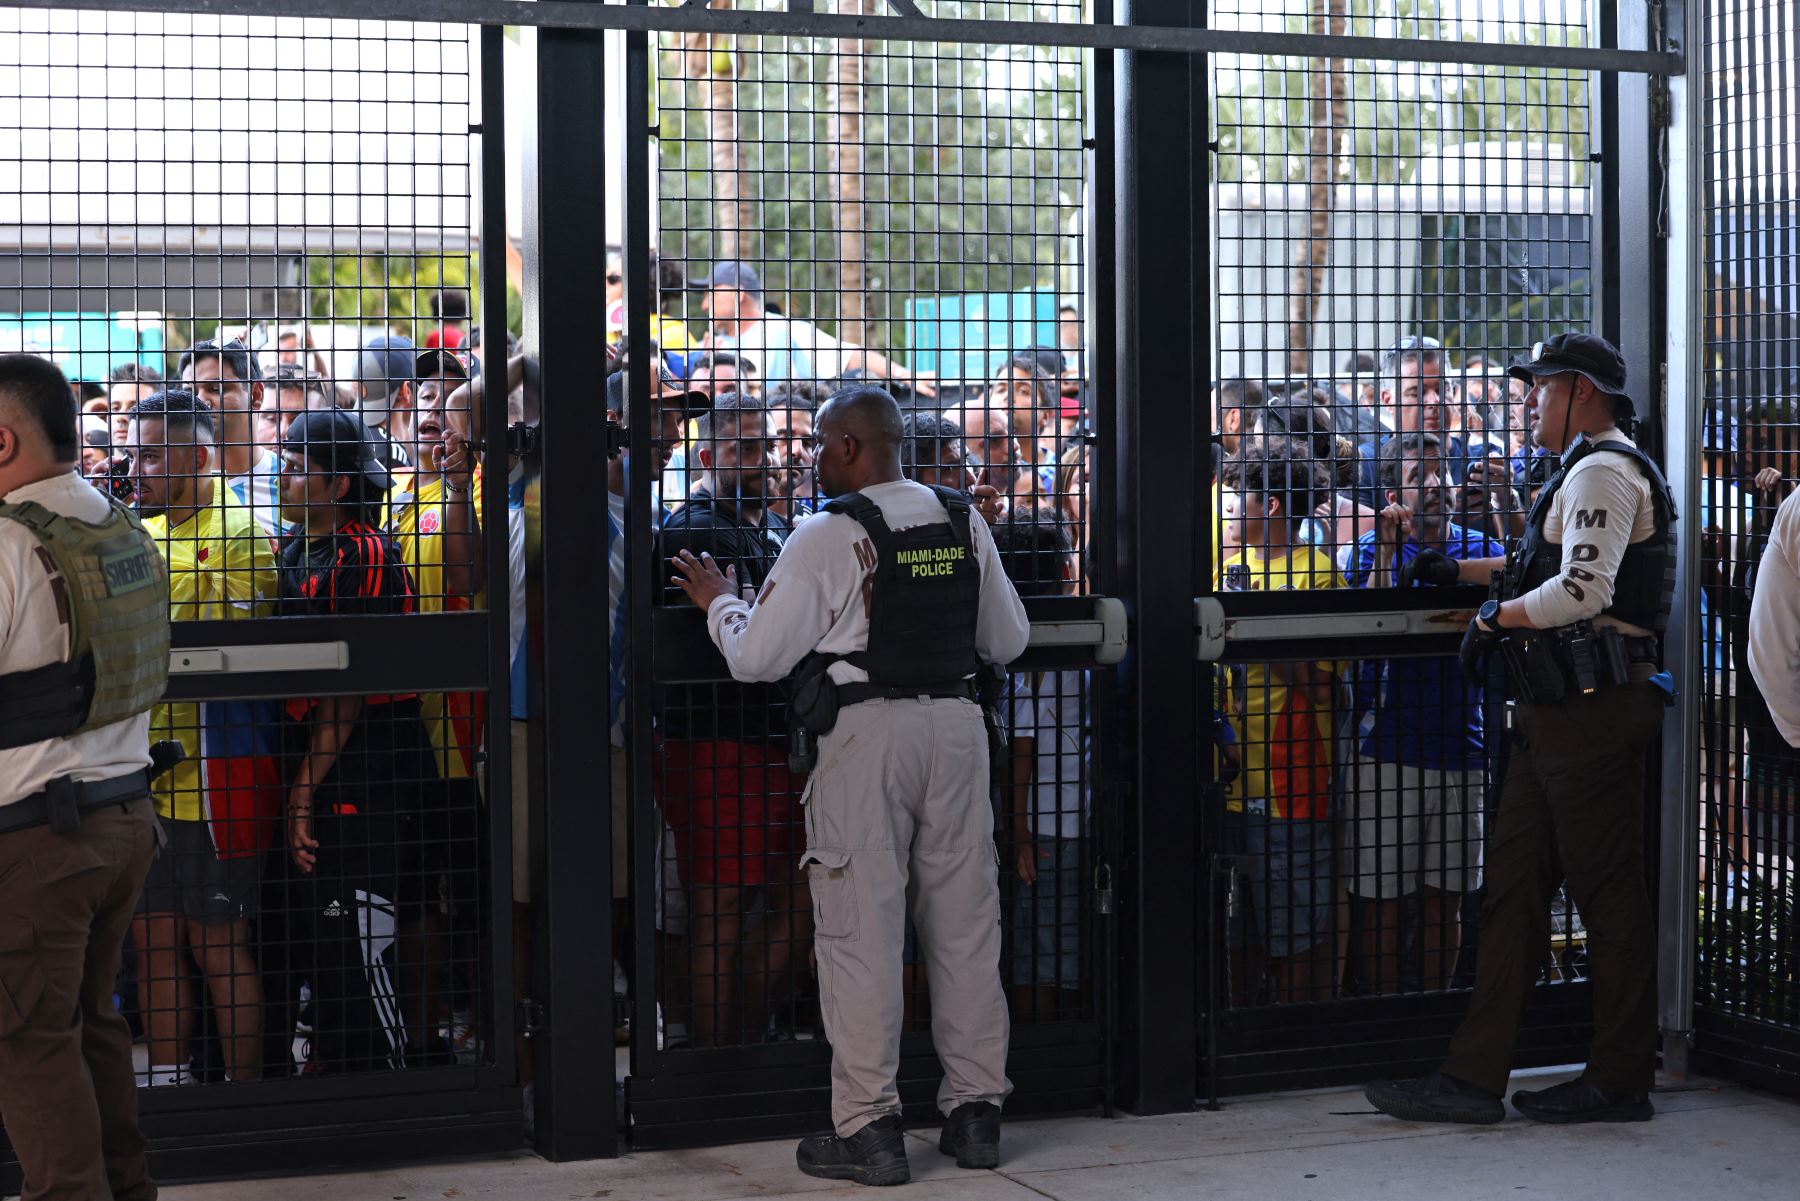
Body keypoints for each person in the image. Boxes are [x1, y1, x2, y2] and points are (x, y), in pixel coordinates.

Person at [671, 384, 1030, 1186]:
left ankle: (870, 1128)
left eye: (818, 445)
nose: (806, 457)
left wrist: (720, 601)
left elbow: (757, 656)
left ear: (850, 447)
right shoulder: (961, 518)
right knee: (967, 925)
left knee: (859, 931)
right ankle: (976, 1115)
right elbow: (1008, 637)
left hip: (866, 737)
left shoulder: (826, 533)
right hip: (959, 727)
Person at [1366, 332, 1675, 1126]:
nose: (1528, 401)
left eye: (1540, 388)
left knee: (1605, 892)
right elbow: (1541, 567)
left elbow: (1580, 589)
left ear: (1579, 390)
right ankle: (1472, 1079)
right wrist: (1464, 574)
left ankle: (1617, 1078)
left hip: (1590, 712)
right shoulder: (1581, 471)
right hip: (1560, 713)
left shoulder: (1605, 468)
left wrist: (1494, 614)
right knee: (1509, 892)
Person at [0, 352, 168, 1201]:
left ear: (0, 441)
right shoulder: (117, 522)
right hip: (123, 819)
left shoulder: (6, 541)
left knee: (29, 1041)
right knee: (89, 1023)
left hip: (38, 840)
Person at [271, 408, 447, 1072]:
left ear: (338, 485)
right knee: (327, 940)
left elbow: (348, 686)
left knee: (363, 941)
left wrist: (303, 793)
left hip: (367, 773)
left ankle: (380, 1084)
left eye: (297, 466)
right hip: (320, 767)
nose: (281, 476)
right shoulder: (292, 547)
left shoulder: (363, 552)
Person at [124, 388, 281, 1087]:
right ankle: (167, 1084)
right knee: (152, 939)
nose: (137, 467)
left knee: (218, 942)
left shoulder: (244, 529)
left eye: (152, 453)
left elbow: (236, 635)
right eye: (135, 451)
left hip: (219, 777)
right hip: (137, 773)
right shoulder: (138, 531)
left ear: (197, 456)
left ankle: (241, 1097)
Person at [656, 389, 810, 1048]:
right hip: (717, 742)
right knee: (719, 911)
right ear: (707, 454)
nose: (762, 459)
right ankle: (715, 1071)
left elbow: (779, 630)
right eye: (745, 447)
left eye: (765, 445)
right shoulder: (696, 529)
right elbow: (768, 636)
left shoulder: (766, 527)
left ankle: (743, 1046)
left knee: (797, 900)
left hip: (775, 743)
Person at [1344, 432, 1504, 994]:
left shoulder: (1476, 547)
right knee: (1383, 901)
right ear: (1394, 493)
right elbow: (1367, 629)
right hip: (1389, 748)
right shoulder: (1370, 548)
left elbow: (1522, 585)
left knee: (1448, 900)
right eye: (1420, 478)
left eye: (1441, 474)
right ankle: (1387, 1021)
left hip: (1463, 745)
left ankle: (1434, 1017)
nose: (1435, 486)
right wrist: (1389, 549)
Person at [1216, 436, 1339, 1005]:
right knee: (1233, 931)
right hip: (1225, 784)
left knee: (1294, 932)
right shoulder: (1226, 569)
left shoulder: (1318, 575)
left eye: (1237, 498)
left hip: (1293, 785)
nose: (1228, 510)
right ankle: (1239, 1036)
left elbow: (1324, 686)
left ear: (1268, 507)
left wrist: (1255, 629)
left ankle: (1295, 1041)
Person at [994, 514, 1087, 1022]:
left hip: (1039, 820)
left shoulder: (1004, 628)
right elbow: (1023, 745)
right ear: (1065, 572)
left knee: (1036, 954)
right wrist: (1022, 833)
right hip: (1052, 822)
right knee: (1046, 959)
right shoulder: (1054, 635)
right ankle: (1047, 1056)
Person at [694, 260, 937, 397]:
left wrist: (905, 375)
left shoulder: (783, 332)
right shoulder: (714, 346)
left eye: (712, 294)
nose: (705, 305)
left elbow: (850, 357)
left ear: (738, 295)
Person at [180, 337, 285, 541]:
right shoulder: (172, 485)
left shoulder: (291, 485)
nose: (200, 403)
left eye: (216, 389)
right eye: (190, 393)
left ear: (255, 394)